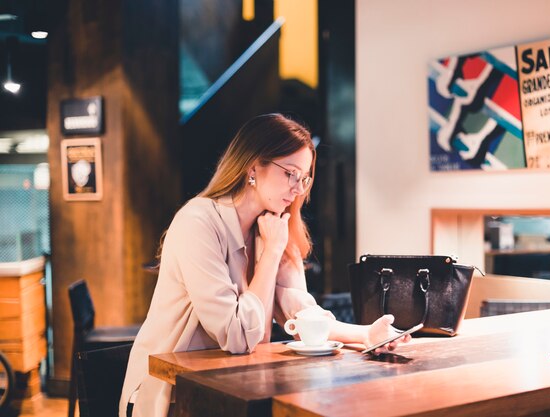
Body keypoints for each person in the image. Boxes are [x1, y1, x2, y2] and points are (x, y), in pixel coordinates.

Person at [119, 113, 410, 417]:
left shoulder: (275, 226)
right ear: (253, 167)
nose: (299, 189)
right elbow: (237, 336)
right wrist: (270, 253)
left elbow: (302, 317)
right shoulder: (198, 223)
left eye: (305, 177)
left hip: (231, 389)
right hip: (170, 396)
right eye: (290, 174)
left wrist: (366, 335)